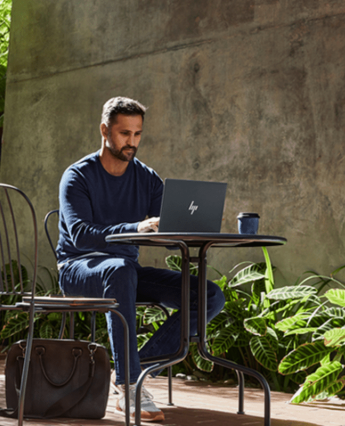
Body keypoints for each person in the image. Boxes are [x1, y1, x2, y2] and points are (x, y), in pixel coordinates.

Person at [56, 96, 226, 422]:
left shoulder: (147, 177)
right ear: (105, 130)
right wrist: (136, 227)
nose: (131, 142)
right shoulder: (78, 176)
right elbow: (80, 234)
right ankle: (129, 382)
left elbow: (167, 229)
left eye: (137, 134)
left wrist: (187, 229)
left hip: (125, 272)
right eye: (124, 133)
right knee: (119, 269)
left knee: (209, 295)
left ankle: (137, 367)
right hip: (79, 268)